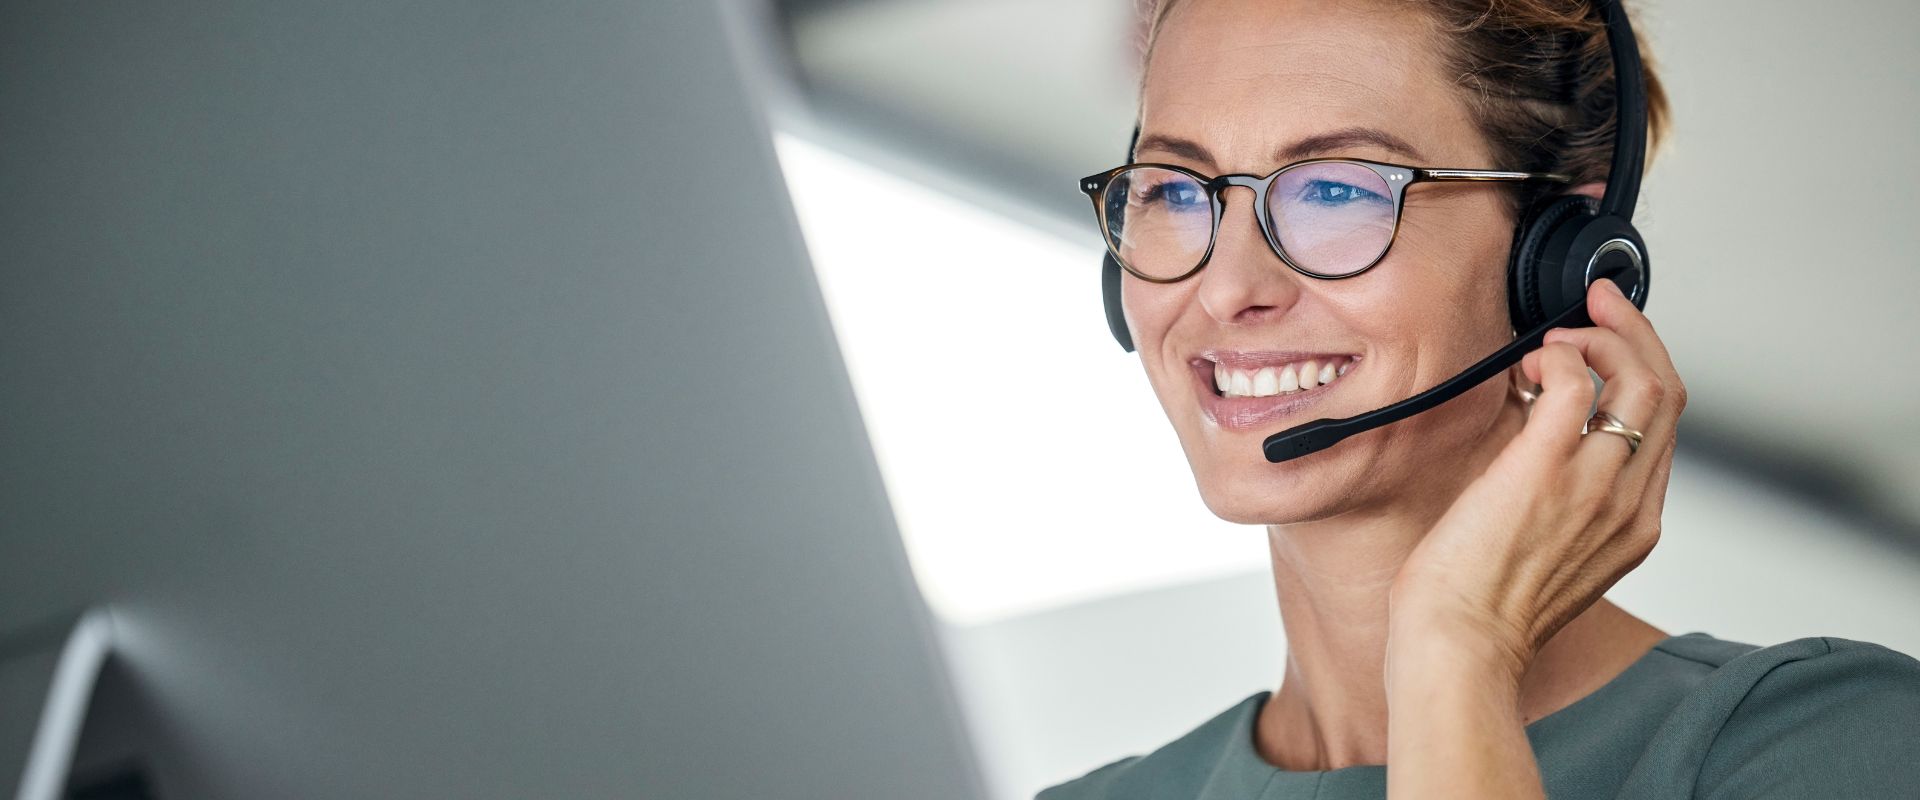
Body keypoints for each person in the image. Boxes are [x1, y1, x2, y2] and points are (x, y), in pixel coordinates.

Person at [1039, 0, 1920, 797]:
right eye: (1172, 189)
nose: (1229, 288)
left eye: (1336, 189)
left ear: (1556, 267)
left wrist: (1458, 650)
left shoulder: (1827, 746)